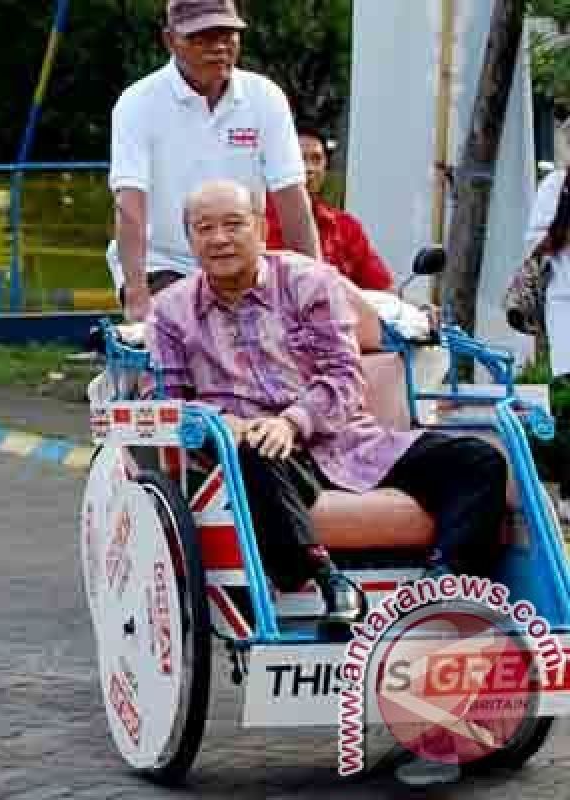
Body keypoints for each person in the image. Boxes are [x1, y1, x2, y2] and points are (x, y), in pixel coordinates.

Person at [148, 179, 507, 624]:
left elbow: (343, 375)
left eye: (233, 225)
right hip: (260, 455)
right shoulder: (170, 311)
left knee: (479, 460)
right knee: (249, 453)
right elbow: (165, 401)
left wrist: (293, 422)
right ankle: (329, 582)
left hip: (349, 441)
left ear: (260, 229)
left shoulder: (308, 282)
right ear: (190, 240)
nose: (220, 239)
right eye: (204, 229)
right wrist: (225, 423)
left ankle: (443, 583)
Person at [107, 0, 320, 321]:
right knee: (202, 337)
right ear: (169, 40)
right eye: (202, 37)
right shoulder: (137, 104)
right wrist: (138, 297)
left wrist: (315, 282)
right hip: (164, 263)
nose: (218, 46)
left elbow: (291, 196)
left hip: (246, 264)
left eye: (227, 34)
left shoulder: (265, 97)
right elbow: (129, 205)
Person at [265, 129, 394, 290]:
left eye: (317, 159)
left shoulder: (346, 226)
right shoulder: (257, 222)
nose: (309, 168)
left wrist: (416, 308)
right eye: (299, 159)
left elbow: (381, 288)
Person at [522, 163, 570, 522]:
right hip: (566, 302)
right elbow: (535, 244)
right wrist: (564, 219)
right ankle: (568, 495)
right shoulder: (557, 185)